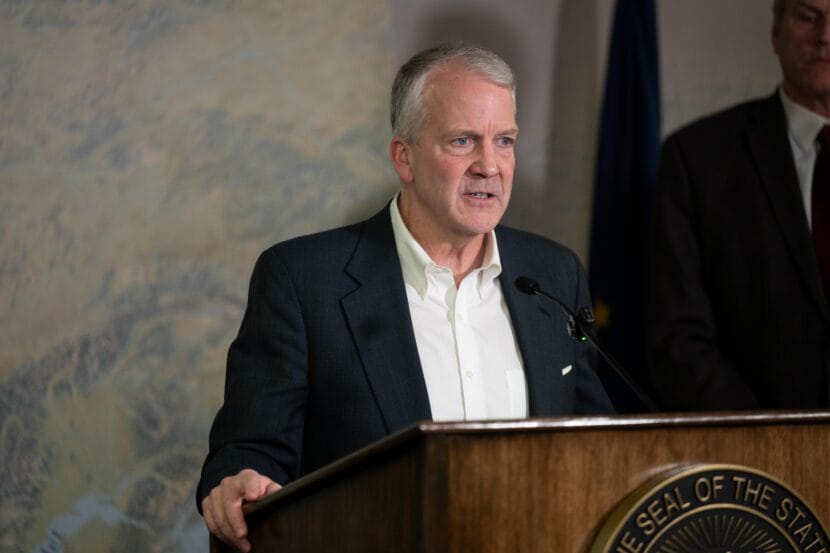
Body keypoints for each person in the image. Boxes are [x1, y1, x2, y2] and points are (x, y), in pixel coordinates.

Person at [197, 43, 613, 551]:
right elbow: (249, 452)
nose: (490, 165)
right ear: (405, 158)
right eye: (463, 141)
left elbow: (601, 449)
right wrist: (240, 483)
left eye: (504, 141)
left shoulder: (552, 273)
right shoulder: (305, 281)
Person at [648, 0, 830, 410]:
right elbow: (678, 339)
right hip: (752, 459)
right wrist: (765, 440)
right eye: (808, 17)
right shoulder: (698, 158)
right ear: (775, 33)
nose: (825, 36)